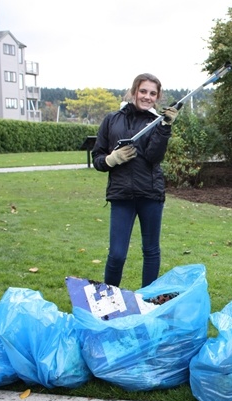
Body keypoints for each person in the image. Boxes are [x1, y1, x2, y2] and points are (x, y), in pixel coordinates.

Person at [91, 73, 179, 288]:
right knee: (117, 254)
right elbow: (97, 158)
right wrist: (111, 159)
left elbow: (154, 157)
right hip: (121, 195)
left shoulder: (157, 122)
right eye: (143, 91)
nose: (147, 97)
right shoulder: (112, 120)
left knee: (150, 251)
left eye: (152, 93)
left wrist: (165, 128)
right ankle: (109, 298)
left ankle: (147, 301)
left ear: (157, 97)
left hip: (150, 194)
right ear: (133, 92)